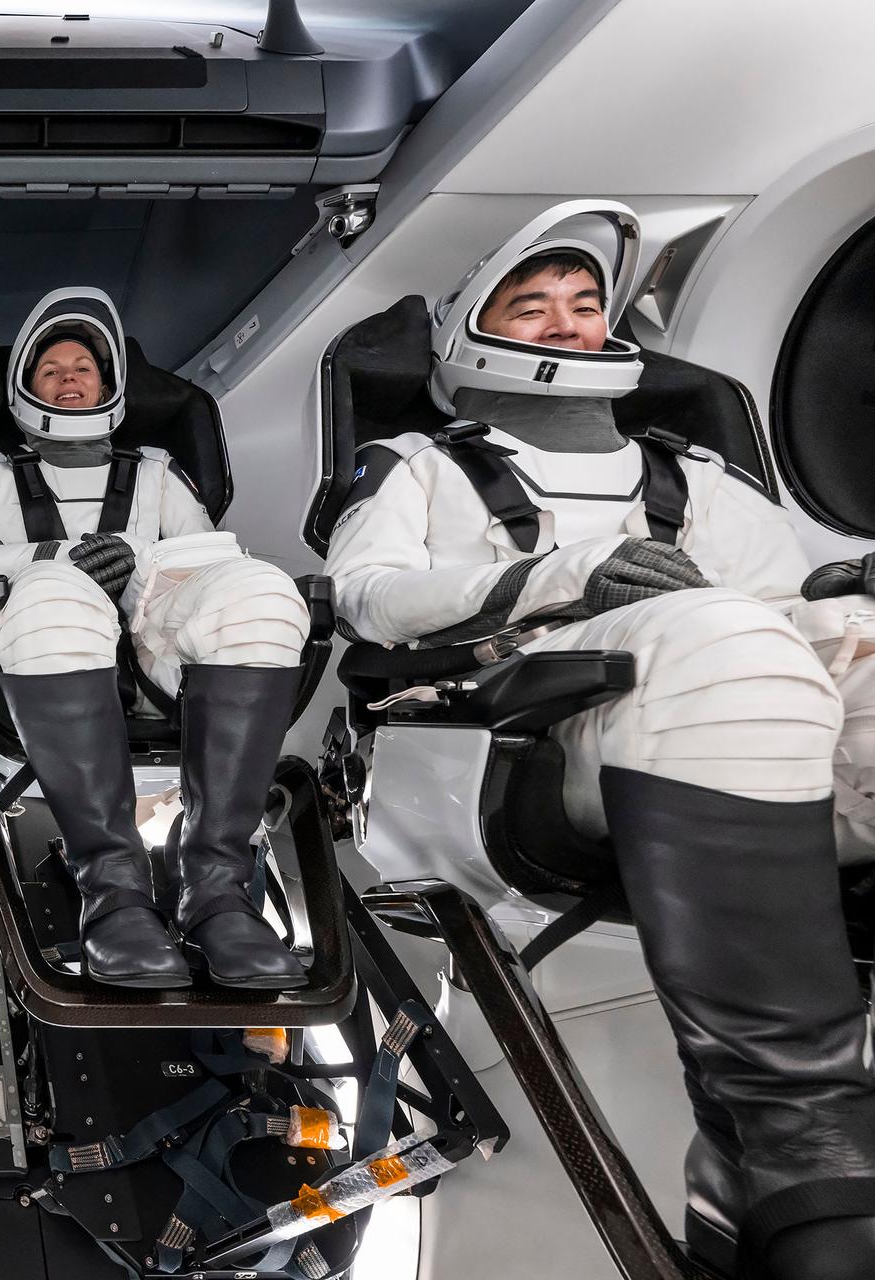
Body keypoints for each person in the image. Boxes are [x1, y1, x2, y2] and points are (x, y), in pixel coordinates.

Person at [324, 200, 875, 1278]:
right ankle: (784, 1148)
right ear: (471, 332)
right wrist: (556, 576)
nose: (569, 323)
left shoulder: (698, 478)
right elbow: (368, 596)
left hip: (723, 706)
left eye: (586, 304)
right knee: (715, 633)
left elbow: (785, 600)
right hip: (511, 737)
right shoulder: (417, 465)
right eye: (534, 305)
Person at [0, 288, 308, 990]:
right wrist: (53, 562)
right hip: (43, 642)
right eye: (51, 371)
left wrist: (139, 569)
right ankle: (113, 894)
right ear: (24, 390)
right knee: (53, 597)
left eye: (83, 369)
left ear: (109, 385)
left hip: (158, 645)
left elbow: (212, 560)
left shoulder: (156, 472)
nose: (70, 379)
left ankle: (217, 890)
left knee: (261, 590)